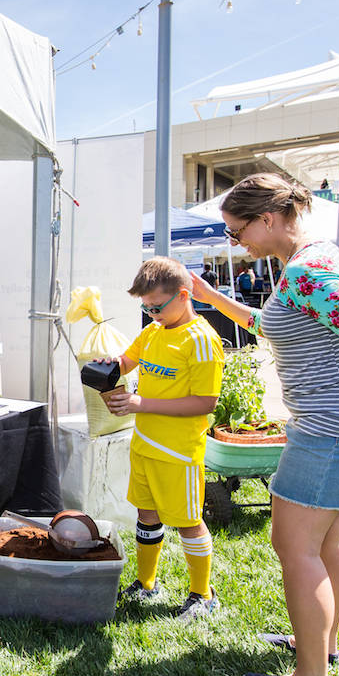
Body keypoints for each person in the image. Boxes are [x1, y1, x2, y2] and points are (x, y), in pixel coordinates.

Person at [190, 173, 339, 676]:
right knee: (331, 539)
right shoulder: (318, 258)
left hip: (333, 432)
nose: (238, 244)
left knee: (295, 549)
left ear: (267, 219)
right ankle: (323, 646)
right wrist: (214, 298)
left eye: (238, 232)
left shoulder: (306, 272)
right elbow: (281, 325)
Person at [101, 257, 225, 622]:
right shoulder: (155, 331)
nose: (152, 314)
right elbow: (128, 359)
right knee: (147, 514)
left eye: (157, 306)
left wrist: (141, 403)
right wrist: (110, 365)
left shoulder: (201, 340)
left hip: (178, 452)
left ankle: (202, 594)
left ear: (184, 295)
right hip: (145, 445)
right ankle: (146, 583)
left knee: (188, 522)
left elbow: (205, 402)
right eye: (146, 307)